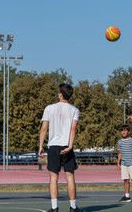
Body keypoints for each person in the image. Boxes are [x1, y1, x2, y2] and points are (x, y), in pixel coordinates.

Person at [39, 84, 81, 212]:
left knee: (53, 178)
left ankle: (54, 207)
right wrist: (70, 146)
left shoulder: (49, 108)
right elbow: (73, 129)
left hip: (53, 146)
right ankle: (73, 208)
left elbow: (44, 128)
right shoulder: (75, 110)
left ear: (60, 94)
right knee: (70, 177)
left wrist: (41, 146)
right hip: (66, 146)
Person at [117, 124, 132, 203]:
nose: (123, 132)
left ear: (128, 132)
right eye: (122, 130)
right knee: (126, 180)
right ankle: (127, 196)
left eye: (125, 131)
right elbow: (120, 153)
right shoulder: (119, 142)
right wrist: (118, 163)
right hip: (124, 163)